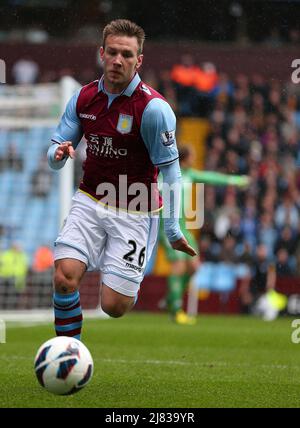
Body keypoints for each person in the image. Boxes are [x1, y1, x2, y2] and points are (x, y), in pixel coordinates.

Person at [47, 19, 196, 340]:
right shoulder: (83, 98)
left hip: (136, 210)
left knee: (114, 306)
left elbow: (171, 171)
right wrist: (57, 155)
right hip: (89, 199)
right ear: (101, 53)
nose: (118, 60)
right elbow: (55, 151)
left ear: (139, 60)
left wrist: (172, 229)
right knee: (64, 276)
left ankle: (124, 278)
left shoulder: (154, 109)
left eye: (127, 55)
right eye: (112, 52)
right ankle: (69, 352)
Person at [159, 146, 250, 325]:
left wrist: (236, 180)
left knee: (194, 267)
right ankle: (176, 310)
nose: (194, 159)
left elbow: (211, 177)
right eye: (192, 155)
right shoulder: (164, 176)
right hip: (166, 226)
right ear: (185, 158)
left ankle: (171, 297)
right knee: (178, 265)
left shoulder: (189, 174)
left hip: (183, 226)